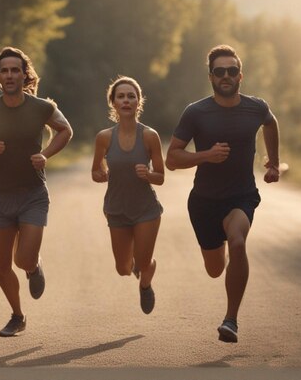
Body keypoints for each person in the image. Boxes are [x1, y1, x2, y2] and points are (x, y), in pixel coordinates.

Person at [165, 44, 280, 343]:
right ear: (211, 77)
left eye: (231, 71)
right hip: (204, 202)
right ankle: (224, 262)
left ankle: (231, 320)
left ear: (240, 76)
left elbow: (271, 122)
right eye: (219, 71)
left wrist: (274, 162)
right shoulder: (196, 112)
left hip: (241, 196)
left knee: (238, 242)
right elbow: (172, 159)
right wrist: (206, 155)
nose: (225, 76)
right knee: (215, 269)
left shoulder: (256, 107)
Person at [0, 47, 73, 337]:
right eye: (4, 70)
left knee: (23, 260)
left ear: (24, 74)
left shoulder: (42, 107)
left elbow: (66, 130)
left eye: (14, 70)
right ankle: (17, 316)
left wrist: (46, 154)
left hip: (32, 193)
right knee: (3, 264)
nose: (9, 75)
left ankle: (33, 267)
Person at [91, 76, 164, 314]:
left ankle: (145, 283)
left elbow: (161, 177)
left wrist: (148, 174)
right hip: (117, 209)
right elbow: (96, 171)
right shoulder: (104, 137)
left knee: (143, 264)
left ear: (138, 101)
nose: (126, 100)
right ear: (113, 102)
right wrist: (100, 174)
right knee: (123, 268)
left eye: (131, 96)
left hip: (146, 210)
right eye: (121, 96)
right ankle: (137, 270)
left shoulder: (150, 136)